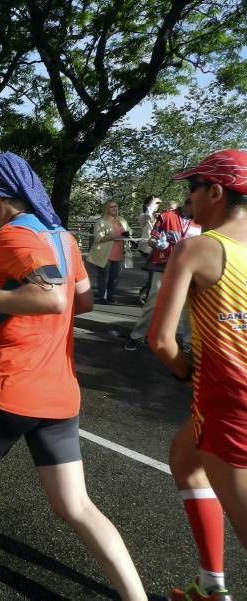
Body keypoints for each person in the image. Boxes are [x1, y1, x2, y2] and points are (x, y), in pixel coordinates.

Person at [0, 153, 146, 601]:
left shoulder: (12, 235)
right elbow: (82, 302)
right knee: (76, 506)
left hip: (7, 389)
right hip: (59, 394)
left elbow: (53, 300)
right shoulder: (64, 238)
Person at [148, 149, 247, 601]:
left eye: (191, 189)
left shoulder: (198, 249)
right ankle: (211, 585)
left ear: (215, 191)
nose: (186, 201)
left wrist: (185, 372)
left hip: (229, 405)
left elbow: (162, 341)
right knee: (184, 460)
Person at [124, 199, 201, 351]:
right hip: (162, 266)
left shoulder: (199, 221)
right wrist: (159, 244)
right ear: (188, 204)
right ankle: (137, 336)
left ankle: (189, 344)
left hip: (187, 269)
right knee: (152, 303)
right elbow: (151, 240)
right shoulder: (166, 216)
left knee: (188, 308)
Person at [87, 200, 130, 304]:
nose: (114, 208)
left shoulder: (122, 220)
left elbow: (128, 232)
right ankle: (102, 297)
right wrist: (115, 237)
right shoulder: (101, 222)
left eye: (115, 206)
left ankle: (110, 296)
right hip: (104, 254)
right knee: (103, 277)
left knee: (114, 277)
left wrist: (127, 235)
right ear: (106, 209)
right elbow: (98, 238)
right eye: (111, 207)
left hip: (118, 253)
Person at [137, 195, 161, 304]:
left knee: (155, 272)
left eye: (159, 203)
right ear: (148, 205)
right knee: (153, 272)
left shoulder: (159, 216)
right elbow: (147, 217)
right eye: (156, 203)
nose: (157, 205)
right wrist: (150, 207)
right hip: (146, 247)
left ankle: (147, 294)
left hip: (156, 248)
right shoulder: (144, 215)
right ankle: (148, 297)